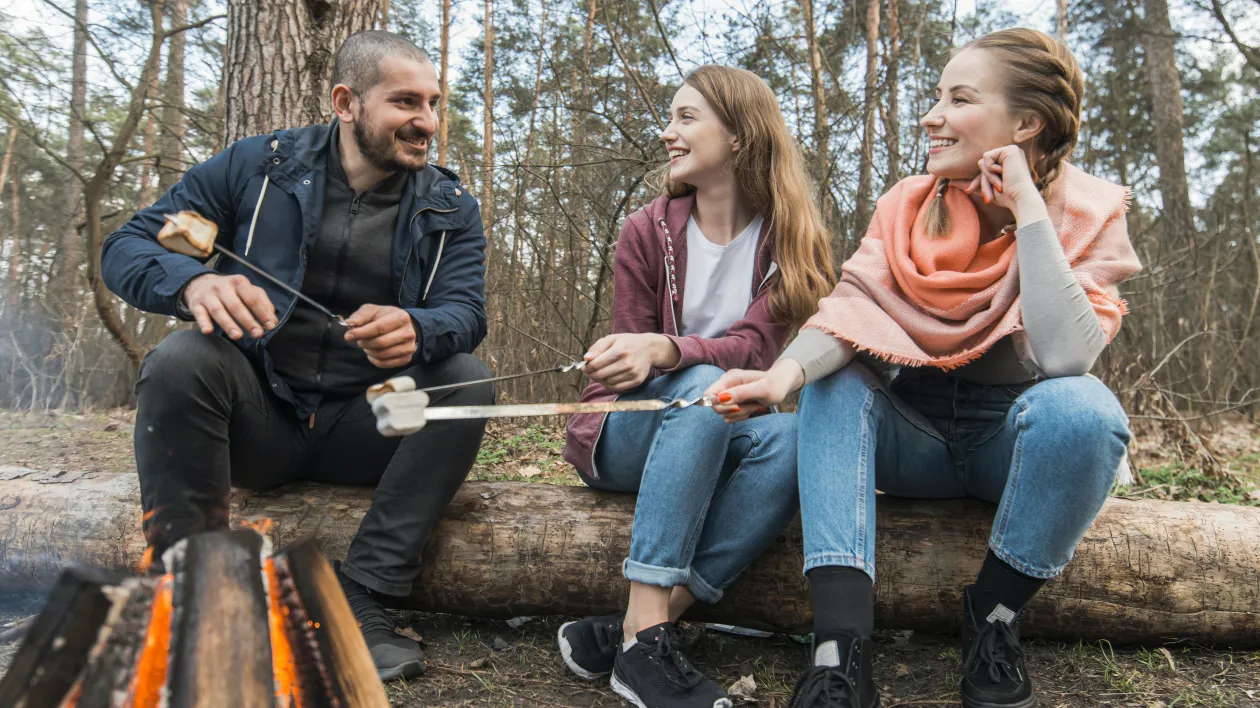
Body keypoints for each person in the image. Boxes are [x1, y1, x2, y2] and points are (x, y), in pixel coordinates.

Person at [707, 29, 1142, 708]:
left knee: (1086, 410)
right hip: (912, 435)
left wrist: (1029, 209)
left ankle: (994, 617)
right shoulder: (907, 204)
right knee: (832, 382)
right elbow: (850, 309)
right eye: (936, 96)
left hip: (1013, 443)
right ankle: (840, 651)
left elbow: (1065, 356)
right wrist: (779, 378)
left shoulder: (1087, 212)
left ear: (1025, 123)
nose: (931, 114)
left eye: (959, 98)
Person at [101, 30, 492, 682]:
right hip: (258, 419)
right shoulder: (255, 167)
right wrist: (193, 282)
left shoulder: (450, 207)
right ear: (346, 102)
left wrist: (419, 329)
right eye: (405, 102)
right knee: (180, 359)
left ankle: (362, 595)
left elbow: (465, 314)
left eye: (433, 103)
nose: (426, 121)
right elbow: (129, 247)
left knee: (464, 379)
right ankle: (203, 598)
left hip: (366, 429)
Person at [556, 65, 836, 708]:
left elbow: (759, 354)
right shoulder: (645, 230)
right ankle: (648, 638)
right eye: (669, 117)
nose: (667, 133)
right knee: (705, 382)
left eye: (686, 118)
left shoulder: (789, 241)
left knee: (796, 434)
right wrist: (637, 356)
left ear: (739, 135)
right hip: (628, 434)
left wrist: (671, 346)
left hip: (725, 425)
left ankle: (639, 632)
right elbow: (642, 360)